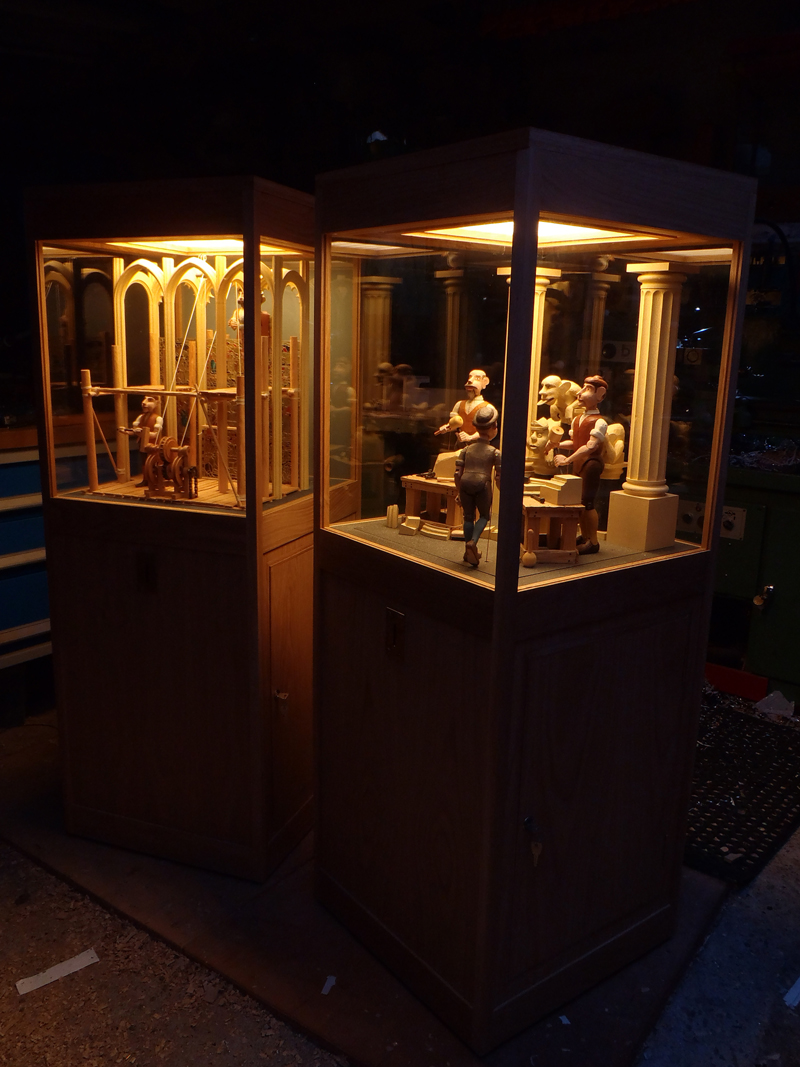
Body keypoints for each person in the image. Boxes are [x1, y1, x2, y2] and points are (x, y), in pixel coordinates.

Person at [554, 375, 608, 554]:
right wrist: (557, 445)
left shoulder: (599, 422)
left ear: (600, 395)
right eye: (582, 388)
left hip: (591, 464)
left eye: (587, 389)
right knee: (580, 502)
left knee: (588, 502)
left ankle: (593, 541)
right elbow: (576, 443)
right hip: (579, 463)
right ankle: (585, 536)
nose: (580, 392)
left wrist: (567, 460)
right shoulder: (577, 419)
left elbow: (590, 446)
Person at [454, 404, 501, 567]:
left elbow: (457, 474)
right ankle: (472, 543)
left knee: (468, 516)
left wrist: (459, 491)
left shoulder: (466, 450)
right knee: (484, 516)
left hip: (465, 482)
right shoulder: (495, 452)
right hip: (483, 484)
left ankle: (468, 552)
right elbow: (498, 476)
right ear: (494, 428)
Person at [120, 396, 163, 486]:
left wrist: (143, 432)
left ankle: (155, 480)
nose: (144, 403)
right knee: (144, 462)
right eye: (144, 399)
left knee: (154, 462)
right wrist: (125, 431)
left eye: (150, 400)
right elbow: (134, 432)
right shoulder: (141, 417)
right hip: (142, 443)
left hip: (152, 444)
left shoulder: (158, 418)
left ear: (157, 403)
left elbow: (155, 434)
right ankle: (146, 479)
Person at [439, 368, 490, 443]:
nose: (470, 381)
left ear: (485, 382)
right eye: (470, 377)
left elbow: (488, 431)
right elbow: (454, 424)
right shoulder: (459, 404)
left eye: (477, 378)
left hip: (478, 445)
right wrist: (447, 427)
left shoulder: (487, 407)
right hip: (461, 444)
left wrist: (471, 437)